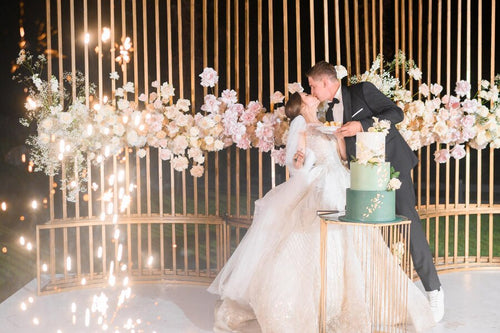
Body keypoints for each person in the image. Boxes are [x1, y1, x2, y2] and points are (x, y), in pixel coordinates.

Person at [208, 92, 435, 332]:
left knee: (354, 237)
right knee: (316, 237)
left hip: (342, 179)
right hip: (321, 182)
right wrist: (298, 160)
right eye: (307, 94)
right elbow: (296, 162)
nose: (312, 94)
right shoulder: (300, 124)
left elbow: (344, 157)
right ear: (302, 104)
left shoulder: (325, 121)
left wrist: (337, 138)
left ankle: (351, 298)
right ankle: (319, 302)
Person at [306, 60, 445, 323]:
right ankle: (390, 294)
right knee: (375, 235)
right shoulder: (331, 113)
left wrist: (362, 125)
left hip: (393, 166)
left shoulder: (362, 91)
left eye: (313, 86)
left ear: (325, 82)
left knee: (407, 221)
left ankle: (434, 289)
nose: (312, 91)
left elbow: (396, 114)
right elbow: (346, 152)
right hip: (363, 176)